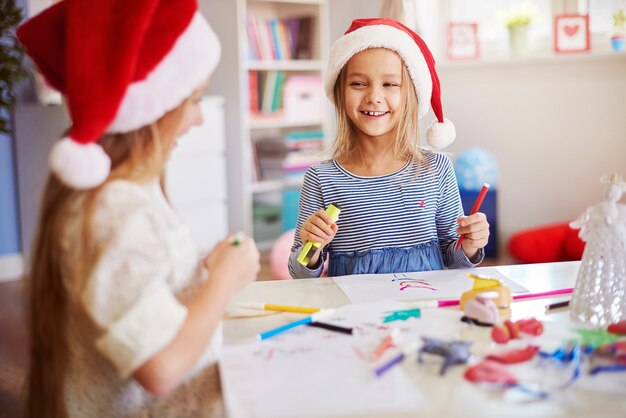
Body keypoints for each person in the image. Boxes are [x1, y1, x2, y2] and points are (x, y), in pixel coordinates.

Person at [17, 1, 260, 416]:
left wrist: (197, 274)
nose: (199, 119)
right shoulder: (114, 209)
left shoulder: (131, 193)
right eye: (194, 100)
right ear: (152, 108)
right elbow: (161, 368)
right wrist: (223, 279)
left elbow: (137, 287)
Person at [288, 18, 489, 279]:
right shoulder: (322, 178)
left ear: (412, 95)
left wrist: (471, 245)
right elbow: (300, 273)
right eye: (358, 84)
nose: (374, 96)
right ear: (340, 93)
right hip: (356, 314)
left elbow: (456, 262)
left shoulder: (437, 168)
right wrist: (311, 247)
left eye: (390, 84)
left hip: (424, 309)